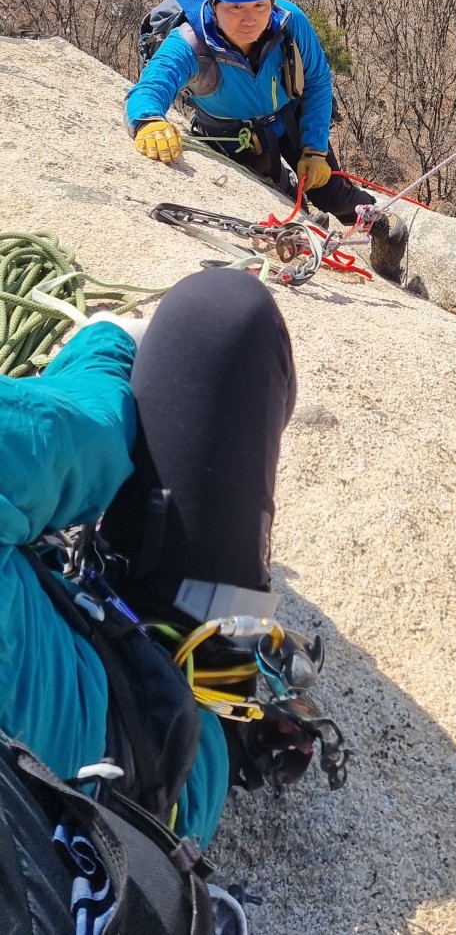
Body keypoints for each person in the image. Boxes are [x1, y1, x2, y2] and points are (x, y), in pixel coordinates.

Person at [0, 271, 347, 933]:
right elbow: (79, 435)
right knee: (222, 315)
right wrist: (101, 343)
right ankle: (229, 706)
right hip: (149, 753)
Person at [126, 0, 370, 225]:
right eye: (235, 8)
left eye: (259, 5)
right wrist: (148, 121)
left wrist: (315, 148)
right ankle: (305, 216)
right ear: (213, 3)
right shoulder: (190, 44)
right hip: (235, 135)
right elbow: (150, 87)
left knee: (332, 193)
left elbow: (317, 80)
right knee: (279, 201)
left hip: (290, 117)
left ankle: (378, 221)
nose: (250, 20)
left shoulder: (290, 22)